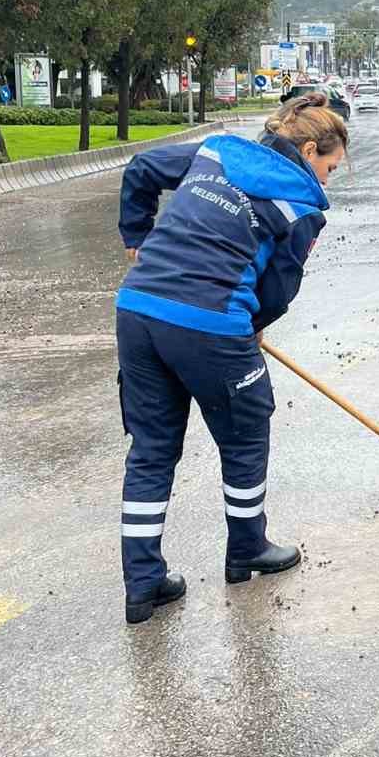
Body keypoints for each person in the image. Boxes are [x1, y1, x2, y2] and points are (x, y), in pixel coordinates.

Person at [115, 93, 347, 624]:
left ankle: (143, 585)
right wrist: (252, 325)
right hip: (210, 325)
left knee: (150, 451)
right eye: (330, 167)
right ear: (309, 150)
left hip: (138, 310)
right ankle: (246, 549)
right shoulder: (301, 207)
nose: (328, 180)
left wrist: (137, 237)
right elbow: (279, 291)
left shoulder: (215, 151)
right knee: (245, 432)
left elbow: (143, 167)